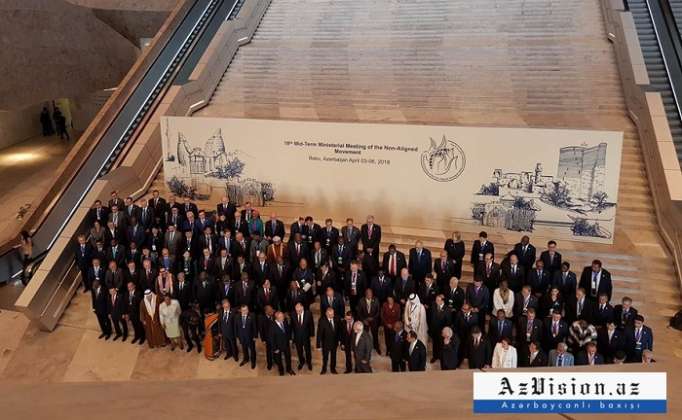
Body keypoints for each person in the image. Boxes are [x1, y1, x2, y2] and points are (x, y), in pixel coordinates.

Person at [356, 288, 381, 354]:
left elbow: (378, 312)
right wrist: (363, 320)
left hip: (374, 321)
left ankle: (376, 347)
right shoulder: (361, 301)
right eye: (368, 294)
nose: (370, 295)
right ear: (366, 294)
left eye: (371, 294)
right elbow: (359, 312)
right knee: (365, 336)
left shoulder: (376, 300)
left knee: (375, 335)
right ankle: (365, 348)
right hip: (364, 321)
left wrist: (373, 318)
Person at [291, 302, 314, 370]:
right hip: (297, 337)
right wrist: (292, 338)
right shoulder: (293, 314)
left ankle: (309, 362)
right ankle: (301, 361)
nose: (297, 312)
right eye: (296, 310)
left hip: (306, 336)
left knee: (308, 350)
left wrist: (312, 335)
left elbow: (311, 325)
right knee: (299, 351)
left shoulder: (308, 314)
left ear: (302, 308)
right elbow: (292, 327)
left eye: (299, 310)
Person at [317, 307, 340, 374]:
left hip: (334, 342)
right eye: (330, 315)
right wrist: (318, 345)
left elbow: (339, 330)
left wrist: (339, 340)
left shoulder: (337, 318)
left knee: (333, 357)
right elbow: (319, 333)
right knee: (325, 358)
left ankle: (333, 369)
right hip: (325, 343)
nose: (331, 316)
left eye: (332, 314)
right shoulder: (322, 320)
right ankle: (324, 369)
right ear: (326, 314)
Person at [271, 311, 295, 376]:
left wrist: (290, 339)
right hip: (278, 346)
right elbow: (272, 339)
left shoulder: (285, 321)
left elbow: (288, 331)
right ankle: (281, 371)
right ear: (277, 318)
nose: (283, 318)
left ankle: (289, 369)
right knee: (279, 360)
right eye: (281, 317)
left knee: (288, 358)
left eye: (283, 316)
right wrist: (275, 348)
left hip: (286, 344)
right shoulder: (272, 326)